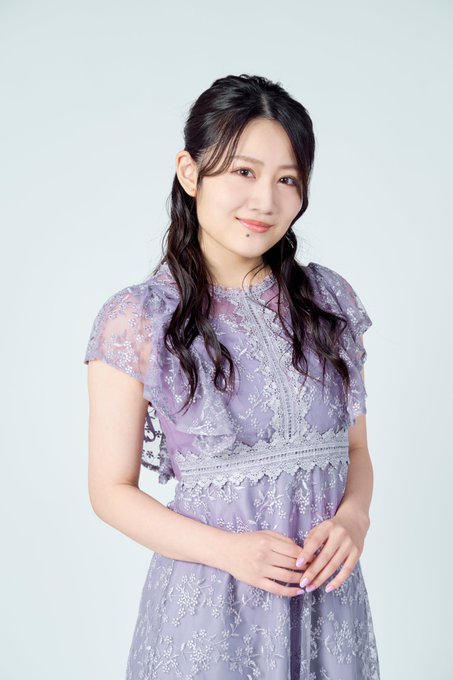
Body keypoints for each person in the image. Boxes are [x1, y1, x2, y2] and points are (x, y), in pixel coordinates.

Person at [83, 73, 380, 679]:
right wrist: (229, 552)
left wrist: (354, 518)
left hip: (328, 607)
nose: (265, 200)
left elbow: (355, 450)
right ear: (190, 173)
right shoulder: (138, 318)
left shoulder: (328, 301)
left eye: (287, 179)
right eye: (244, 172)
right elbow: (109, 491)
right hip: (210, 609)